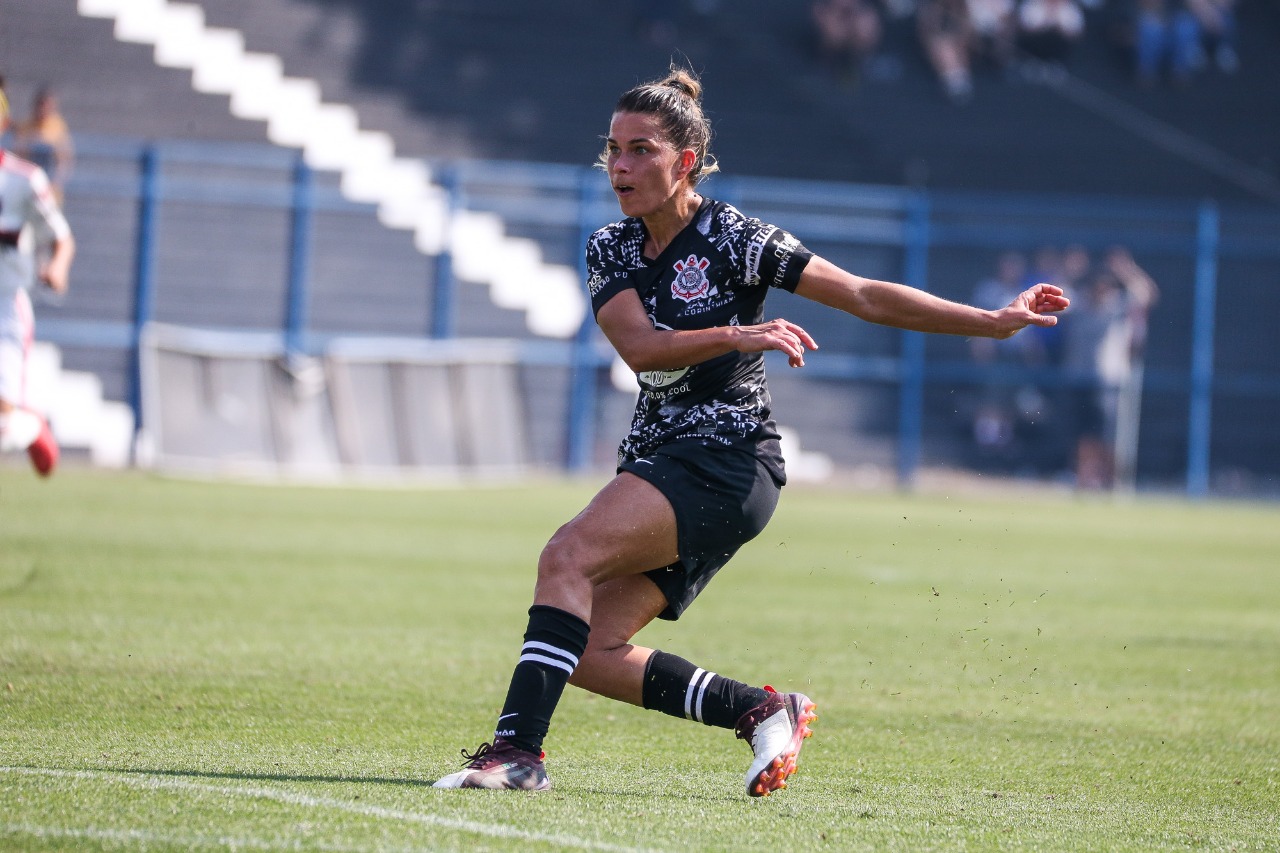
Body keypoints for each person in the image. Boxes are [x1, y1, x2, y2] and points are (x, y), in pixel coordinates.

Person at [433, 66, 1068, 796]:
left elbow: (861, 293)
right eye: (613, 148)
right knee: (586, 647)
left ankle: (517, 753)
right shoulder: (609, 248)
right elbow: (639, 347)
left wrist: (989, 322)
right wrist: (737, 331)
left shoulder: (733, 236)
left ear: (686, 163)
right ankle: (764, 708)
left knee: (566, 555)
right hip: (667, 463)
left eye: (641, 149)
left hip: (729, 461)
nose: (620, 165)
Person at [0, 82, 75, 477]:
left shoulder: (23, 180)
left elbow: (62, 238)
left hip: (4, 306)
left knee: (2, 429)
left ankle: (30, 426)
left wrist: (57, 267)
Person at [1062, 246, 1158, 489]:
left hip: (1109, 382)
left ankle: (1112, 482)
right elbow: (1053, 297)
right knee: (1082, 436)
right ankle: (1084, 481)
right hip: (1079, 380)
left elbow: (1147, 294)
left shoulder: (1118, 307)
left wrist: (1127, 270)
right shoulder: (1080, 305)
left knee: (1109, 436)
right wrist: (1070, 272)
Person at [3, 86, 74, 206]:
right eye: (41, 105)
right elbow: (19, 157)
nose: (44, 109)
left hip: (49, 194)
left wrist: (55, 183)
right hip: (27, 191)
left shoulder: (57, 128)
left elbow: (64, 161)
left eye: (48, 105)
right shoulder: (26, 126)